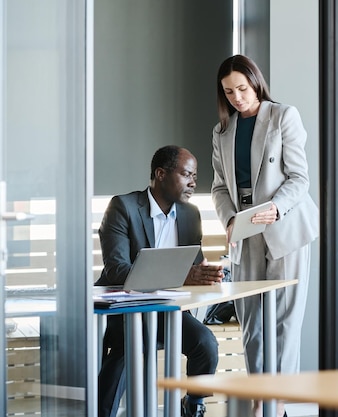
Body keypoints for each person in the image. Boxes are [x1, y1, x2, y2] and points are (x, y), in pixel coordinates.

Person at [211, 54, 319, 417]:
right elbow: (220, 188)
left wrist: (277, 207)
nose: (237, 98)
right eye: (229, 92)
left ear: (255, 83)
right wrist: (229, 221)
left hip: (285, 225)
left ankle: (273, 404)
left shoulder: (283, 116)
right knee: (251, 322)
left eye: (242, 88)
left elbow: (300, 178)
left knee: (285, 320)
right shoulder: (221, 131)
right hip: (246, 229)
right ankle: (262, 398)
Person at [96, 145, 224, 417]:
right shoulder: (124, 207)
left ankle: (193, 406)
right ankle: (100, 412)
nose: (192, 182)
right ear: (161, 174)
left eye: (195, 176)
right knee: (131, 345)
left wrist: (206, 276)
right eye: (186, 174)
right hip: (122, 311)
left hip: (166, 311)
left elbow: (193, 268)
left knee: (205, 344)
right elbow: (119, 269)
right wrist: (184, 276)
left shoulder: (190, 215)